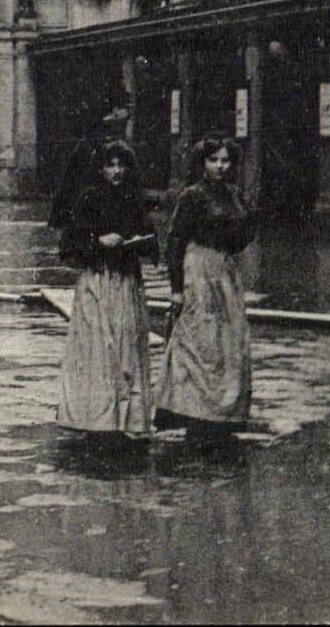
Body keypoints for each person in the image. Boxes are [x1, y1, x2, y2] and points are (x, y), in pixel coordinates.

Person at [54, 139, 158, 444]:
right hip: (98, 282)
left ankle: (127, 418)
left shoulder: (134, 200)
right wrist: (100, 242)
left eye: (121, 165)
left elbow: (152, 240)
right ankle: (97, 417)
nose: (116, 171)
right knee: (99, 350)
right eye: (110, 165)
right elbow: (69, 247)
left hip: (126, 283)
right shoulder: (88, 199)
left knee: (127, 350)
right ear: (99, 169)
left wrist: (141, 241)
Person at [156, 135, 257, 444]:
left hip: (225, 271)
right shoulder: (192, 195)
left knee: (230, 340)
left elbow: (241, 239)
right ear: (202, 163)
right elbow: (175, 239)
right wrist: (176, 288)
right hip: (198, 269)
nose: (220, 166)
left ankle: (222, 413)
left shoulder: (234, 194)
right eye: (213, 160)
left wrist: (248, 223)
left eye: (225, 160)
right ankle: (194, 411)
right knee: (199, 340)